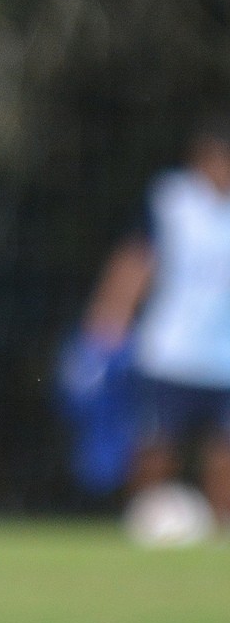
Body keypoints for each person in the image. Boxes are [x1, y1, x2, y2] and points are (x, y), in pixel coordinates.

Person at [84, 115, 230, 525]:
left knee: (223, 454)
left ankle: (221, 533)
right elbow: (135, 262)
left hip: (225, 358)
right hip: (171, 351)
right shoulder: (171, 201)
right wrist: (106, 325)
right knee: (155, 448)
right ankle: (145, 522)